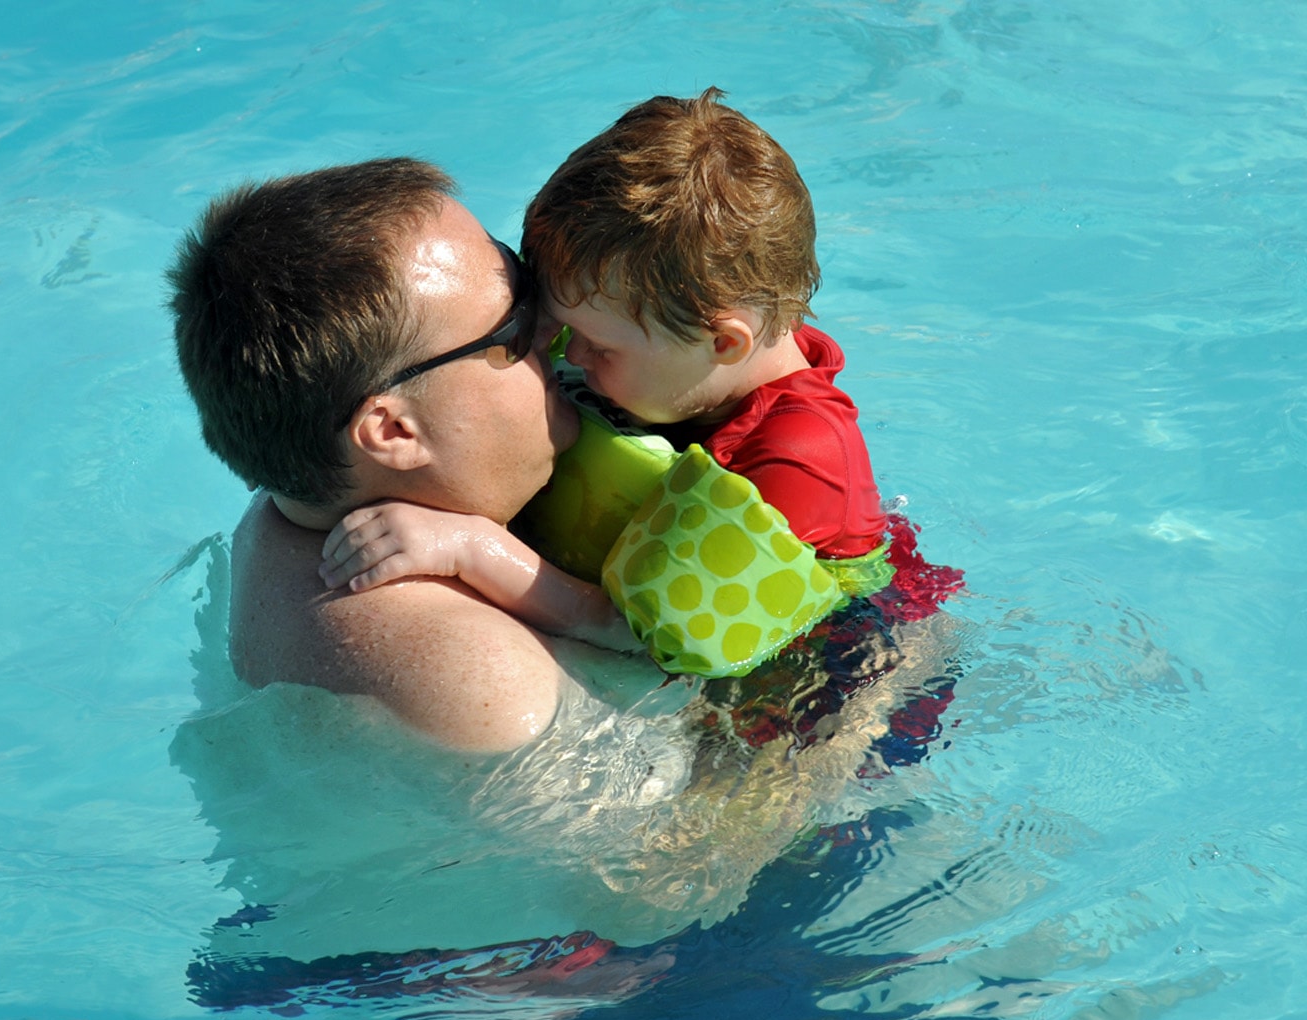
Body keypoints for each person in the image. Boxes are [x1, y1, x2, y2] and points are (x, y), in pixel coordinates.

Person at [320, 90, 893, 653]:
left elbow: (642, 631)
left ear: (722, 341)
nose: (567, 356)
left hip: (838, 669)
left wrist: (471, 548)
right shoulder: (677, 355)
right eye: (559, 327)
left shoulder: (797, 461)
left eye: (595, 344)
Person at [168, 158, 621, 752]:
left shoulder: (283, 513)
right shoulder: (484, 683)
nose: (553, 330)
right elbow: (689, 837)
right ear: (393, 432)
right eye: (513, 330)